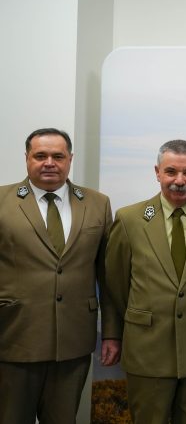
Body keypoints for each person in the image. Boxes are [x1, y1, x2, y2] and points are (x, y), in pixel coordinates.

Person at [104, 139, 186, 423]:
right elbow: (115, 285)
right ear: (157, 172)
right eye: (171, 171)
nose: (179, 180)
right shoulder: (129, 219)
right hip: (147, 349)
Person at [0, 128, 117, 424]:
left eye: (57, 156)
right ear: (27, 158)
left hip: (73, 341)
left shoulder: (97, 203)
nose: (49, 162)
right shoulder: (2, 201)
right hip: (13, 337)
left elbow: (109, 276)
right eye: (40, 156)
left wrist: (112, 333)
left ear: (70, 159)